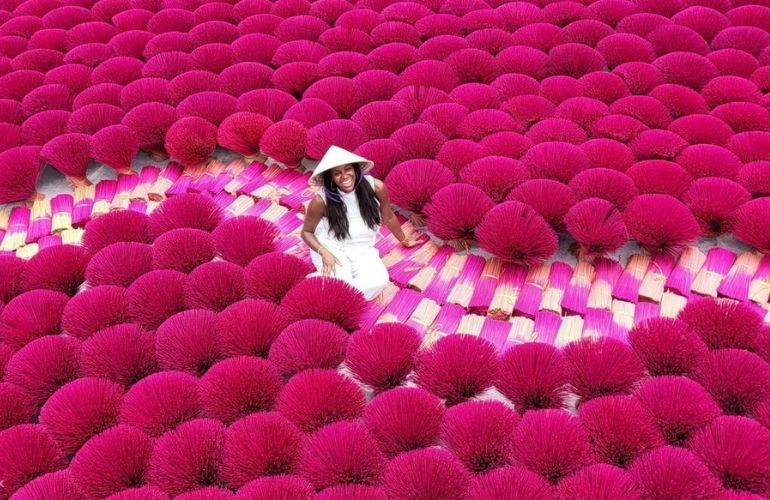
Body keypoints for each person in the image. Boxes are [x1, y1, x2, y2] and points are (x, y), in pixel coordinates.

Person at [301, 145, 422, 300]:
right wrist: (323, 252)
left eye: (348, 169)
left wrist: (403, 239)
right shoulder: (320, 201)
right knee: (341, 282)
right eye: (337, 173)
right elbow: (307, 231)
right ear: (330, 178)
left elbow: (388, 216)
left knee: (379, 281)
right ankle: (329, 286)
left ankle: (330, 288)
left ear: (356, 169)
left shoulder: (376, 187)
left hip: (362, 249)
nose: (344, 176)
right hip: (331, 248)